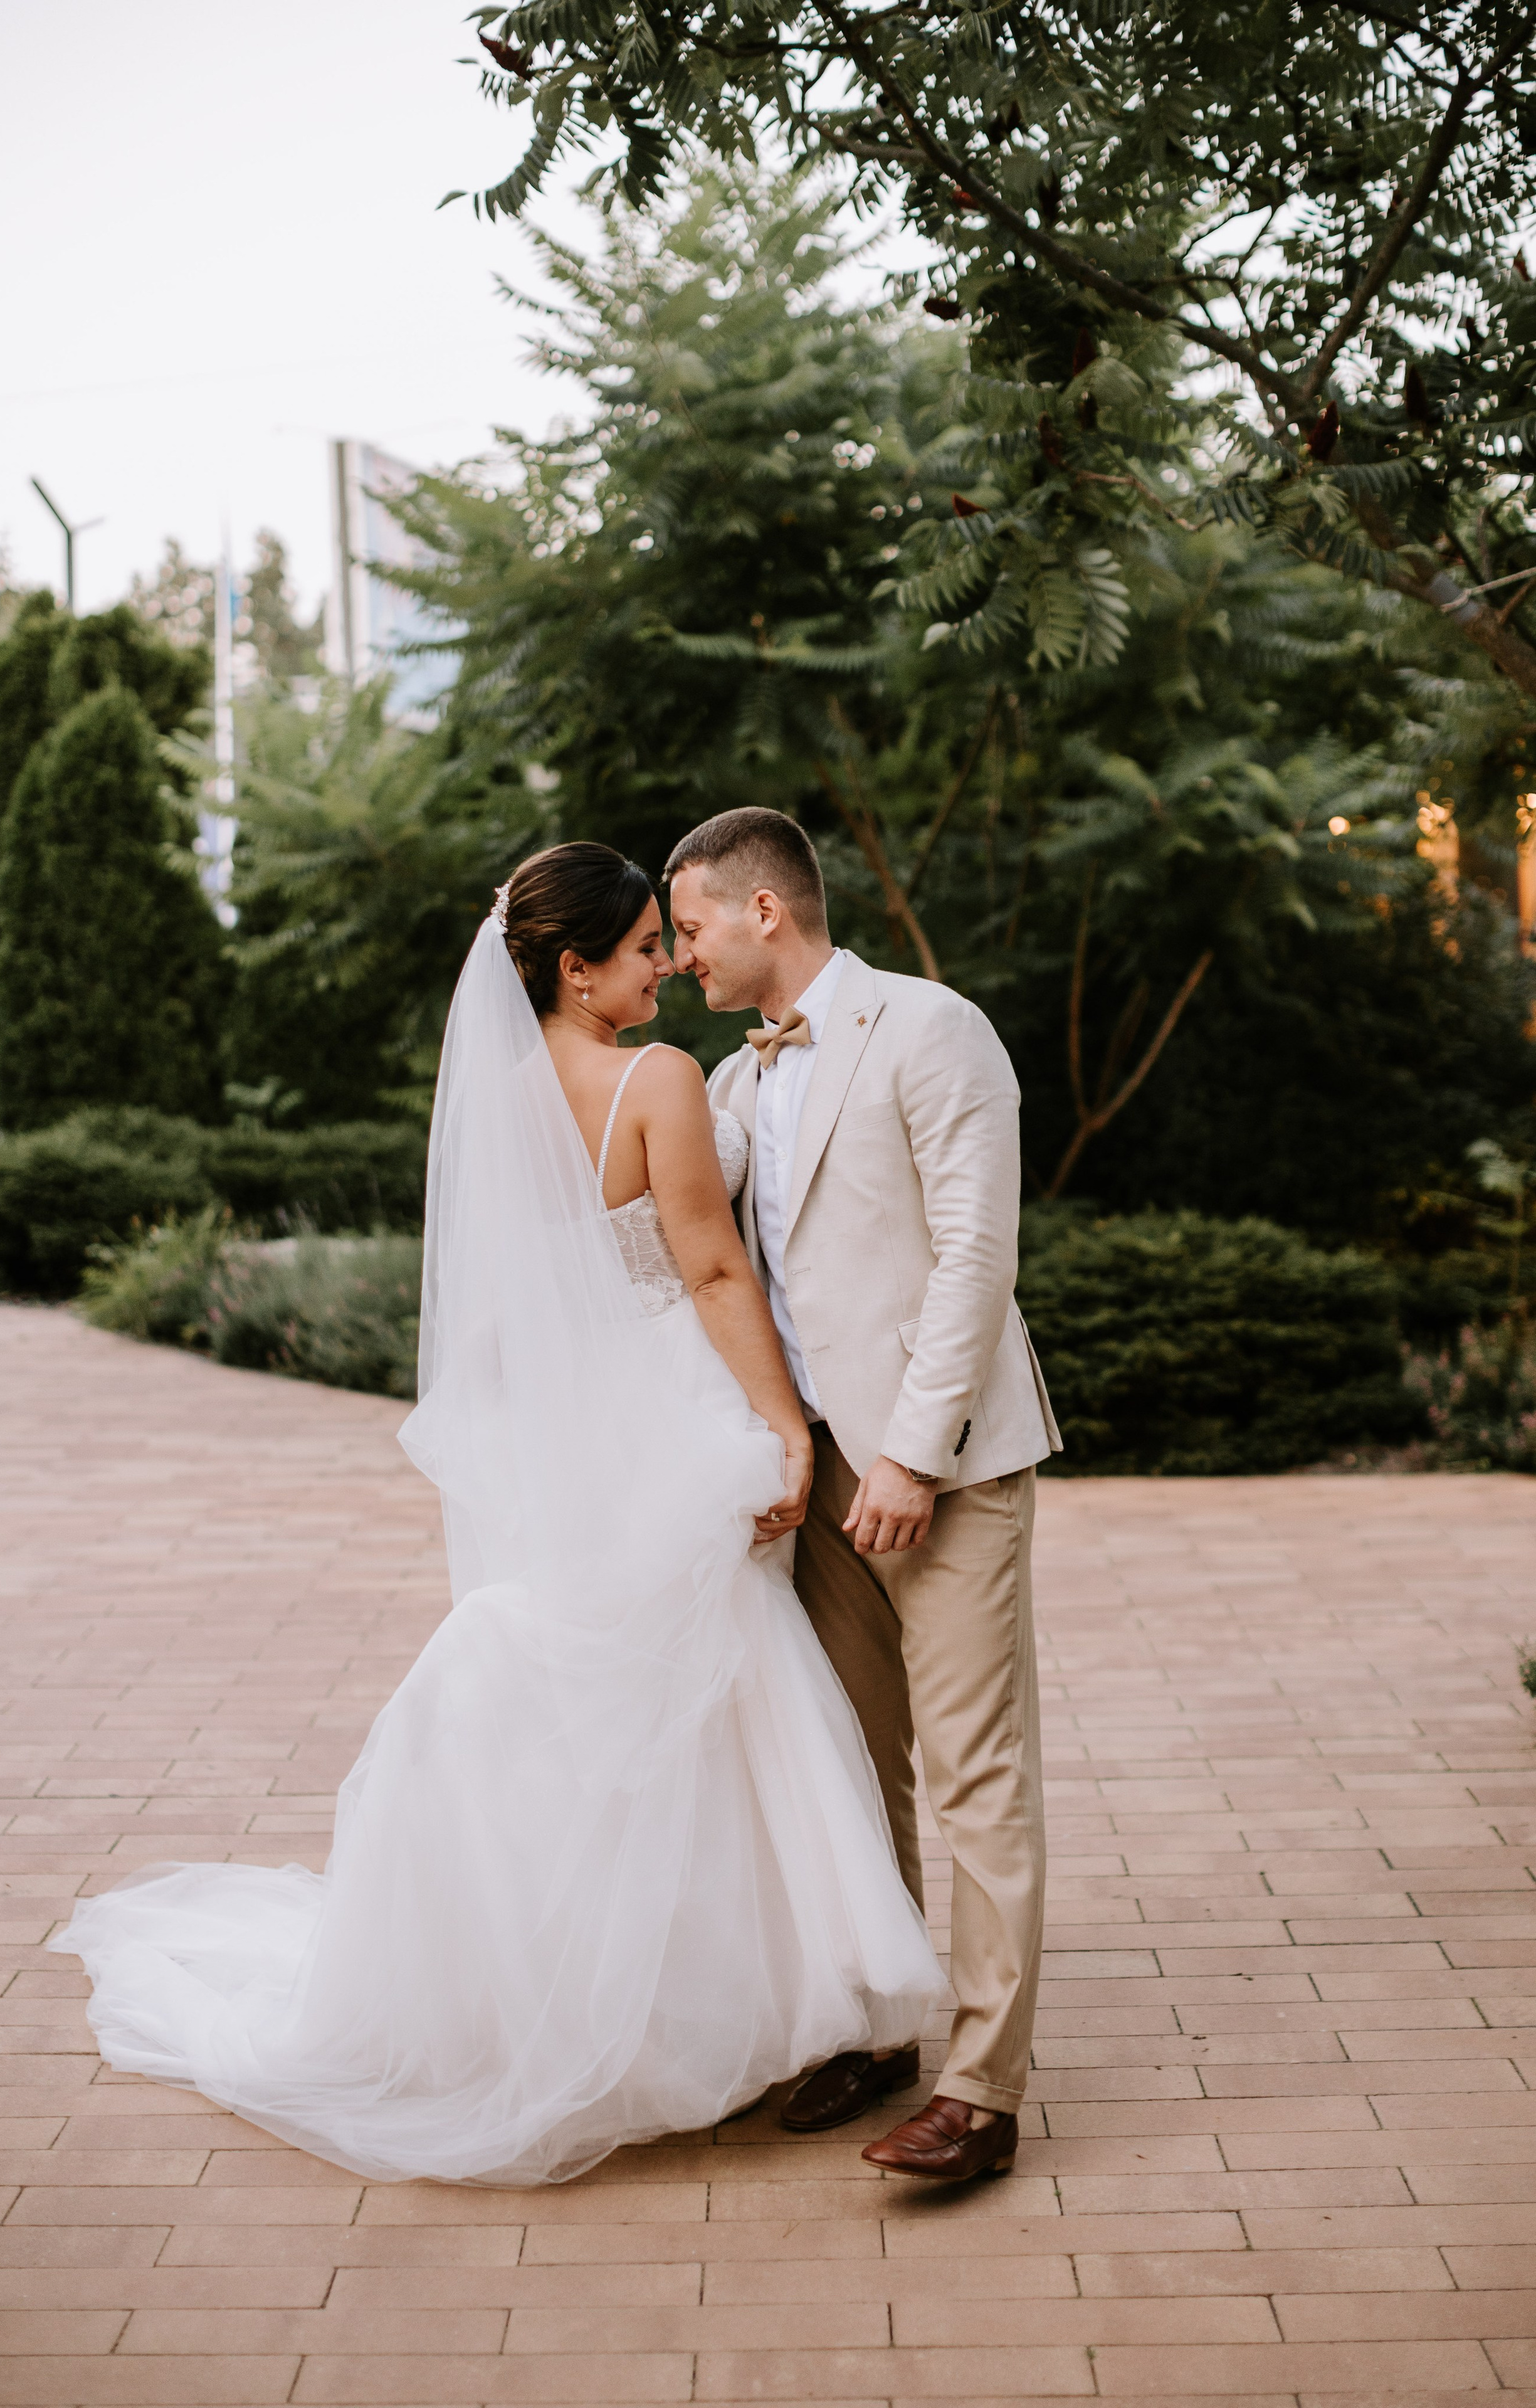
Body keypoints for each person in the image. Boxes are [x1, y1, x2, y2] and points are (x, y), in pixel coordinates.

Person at [48, 842, 941, 2187]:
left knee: (613, 1704)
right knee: (721, 1699)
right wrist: (783, 1428)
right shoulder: (662, 1079)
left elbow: (513, 1307)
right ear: (576, 972)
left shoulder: (510, 1096)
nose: (665, 965)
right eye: (643, 948)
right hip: (676, 1410)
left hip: (579, 1431)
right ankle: (718, 2008)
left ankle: (600, 1995)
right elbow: (705, 1267)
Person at [667, 807, 1060, 2184]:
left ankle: (983, 2088)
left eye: (690, 927)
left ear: (763, 911)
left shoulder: (930, 1028)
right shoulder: (729, 1077)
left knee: (975, 1774)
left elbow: (974, 1256)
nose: (678, 954)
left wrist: (909, 1454)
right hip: (812, 1471)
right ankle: (880, 2026)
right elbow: (682, 1236)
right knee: (849, 1767)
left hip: (937, 1465)